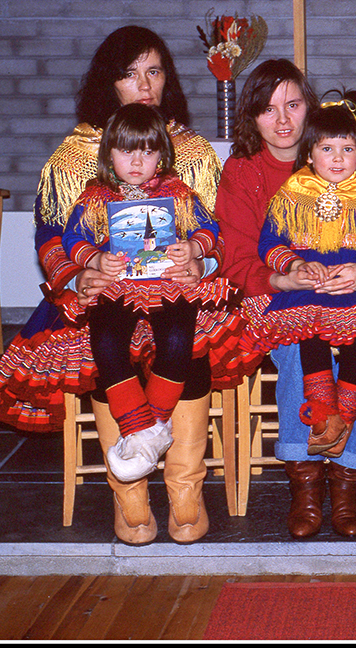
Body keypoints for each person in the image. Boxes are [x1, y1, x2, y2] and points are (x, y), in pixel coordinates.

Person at [0, 25, 248, 545]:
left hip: (175, 289)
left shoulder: (191, 153)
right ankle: (129, 499)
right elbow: (49, 234)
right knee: (100, 343)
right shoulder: (75, 156)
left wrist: (200, 263)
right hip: (97, 295)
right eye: (130, 74)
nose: (144, 85)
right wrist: (78, 274)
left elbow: (222, 230)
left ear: (167, 80)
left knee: (189, 337)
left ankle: (184, 493)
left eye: (153, 72)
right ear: (110, 83)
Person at [215, 60, 356, 539]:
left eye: (293, 105)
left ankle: (349, 478)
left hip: (355, 290)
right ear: (251, 117)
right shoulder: (243, 172)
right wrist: (287, 279)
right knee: (299, 343)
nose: (282, 121)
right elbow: (238, 261)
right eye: (267, 109)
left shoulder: (346, 159)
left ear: (311, 108)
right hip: (274, 293)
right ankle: (305, 479)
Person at [58, 103, 238, 483]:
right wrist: (94, 260)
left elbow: (213, 231)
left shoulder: (180, 195)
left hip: (170, 285)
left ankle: (149, 428)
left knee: (178, 341)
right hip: (115, 288)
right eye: (126, 150)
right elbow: (71, 237)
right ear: (109, 154)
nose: (137, 161)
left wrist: (193, 250)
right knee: (105, 342)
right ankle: (142, 430)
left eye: (148, 151)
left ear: (163, 155)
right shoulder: (95, 198)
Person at [244, 91, 356, 458]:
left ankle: (345, 418)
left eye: (347, 149)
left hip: (355, 289)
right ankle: (324, 415)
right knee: (307, 333)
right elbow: (269, 243)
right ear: (309, 154)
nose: (337, 158)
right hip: (309, 288)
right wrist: (294, 266)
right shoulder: (291, 193)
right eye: (327, 149)